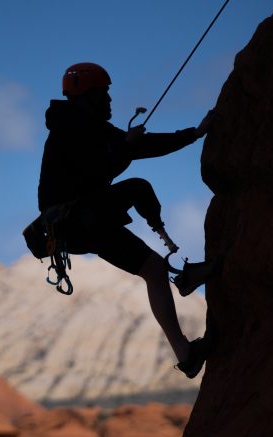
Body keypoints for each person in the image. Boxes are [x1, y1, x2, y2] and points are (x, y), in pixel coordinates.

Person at [37, 62, 215, 378]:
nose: (108, 100)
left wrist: (193, 134)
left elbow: (140, 147)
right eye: (102, 94)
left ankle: (186, 353)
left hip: (80, 223)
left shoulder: (90, 127)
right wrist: (127, 147)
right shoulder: (70, 130)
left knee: (153, 269)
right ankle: (179, 265)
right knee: (138, 188)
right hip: (76, 219)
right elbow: (99, 170)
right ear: (85, 96)